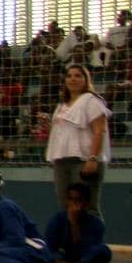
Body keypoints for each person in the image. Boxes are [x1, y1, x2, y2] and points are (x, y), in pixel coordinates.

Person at [46, 64, 110, 216]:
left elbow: (99, 130)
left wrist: (93, 158)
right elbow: (65, 132)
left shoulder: (91, 100)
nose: (72, 79)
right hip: (62, 161)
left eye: (77, 76)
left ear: (85, 79)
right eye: (69, 76)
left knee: (86, 206)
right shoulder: (62, 104)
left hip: (83, 160)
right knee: (65, 204)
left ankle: (91, 239)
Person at [44, 181, 110, 263]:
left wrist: (74, 223)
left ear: (86, 203)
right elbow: (49, 247)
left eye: (78, 200)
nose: (73, 203)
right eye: (70, 199)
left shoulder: (96, 223)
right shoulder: (57, 219)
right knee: (40, 251)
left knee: (104, 250)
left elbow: (86, 250)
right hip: (62, 261)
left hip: (84, 262)